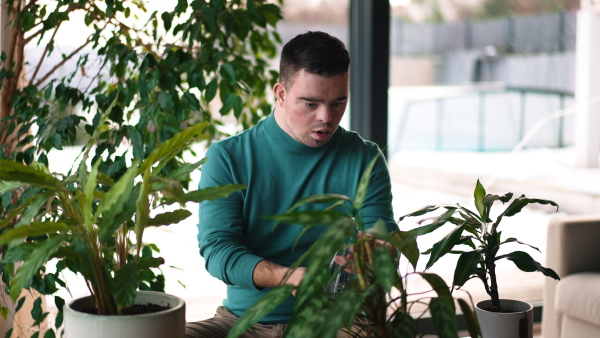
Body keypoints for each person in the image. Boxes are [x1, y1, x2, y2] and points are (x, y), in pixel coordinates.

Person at [186, 31, 397, 338]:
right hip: (242, 321)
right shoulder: (229, 158)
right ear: (281, 94)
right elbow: (218, 251)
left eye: (339, 102)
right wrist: (286, 277)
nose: (327, 117)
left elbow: (384, 235)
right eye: (310, 104)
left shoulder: (364, 157)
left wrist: (378, 251)